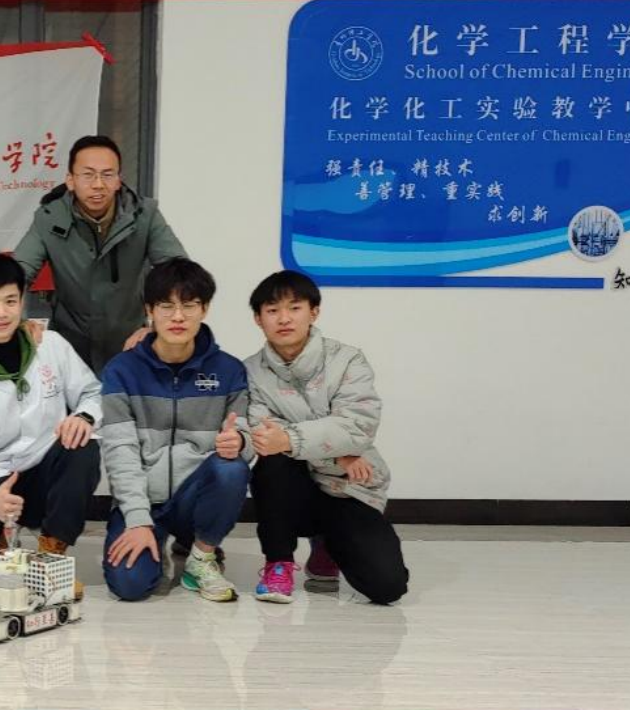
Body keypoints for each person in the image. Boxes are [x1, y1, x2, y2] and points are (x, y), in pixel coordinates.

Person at [245, 270, 410, 605]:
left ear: (314, 311)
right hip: (295, 488)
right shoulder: (250, 372)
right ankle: (278, 564)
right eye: (273, 310)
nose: (284, 319)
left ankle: (326, 546)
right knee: (271, 464)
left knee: (387, 586)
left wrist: (295, 441)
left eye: (295, 308)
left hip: (347, 487)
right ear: (258, 319)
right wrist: (337, 451)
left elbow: (357, 426)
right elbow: (263, 435)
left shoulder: (347, 359)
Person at [0, 254, 102, 573]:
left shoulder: (50, 345)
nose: (1, 313)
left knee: (83, 446)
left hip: (42, 473)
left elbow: (93, 393)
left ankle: (51, 553)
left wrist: (85, 417)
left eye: (10, 301)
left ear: (22, 302)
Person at [100, 259, 250, 603]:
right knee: (130, 586)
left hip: (192, 500)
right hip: (143, 500)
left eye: (189, 305)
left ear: (205, 309)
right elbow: (120, 451)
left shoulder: (229, 370)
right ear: (149, 310)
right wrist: (138, 520)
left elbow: (244, 433)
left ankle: (201, 556)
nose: (178, 316)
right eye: (166, 306)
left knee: (231, 467)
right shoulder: (122, 371)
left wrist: (240, 441)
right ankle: (153, 538)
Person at [13, 135, 188, 374]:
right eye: (88, 175)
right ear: (70, 180)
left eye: (107, 175)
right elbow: (17, 273)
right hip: (70, 349)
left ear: (118, 180)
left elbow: (178, 272)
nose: (98, 184)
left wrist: (158, 327)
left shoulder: (144, 215)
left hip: (132, 346)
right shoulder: (49, 218)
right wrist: (19, 321)